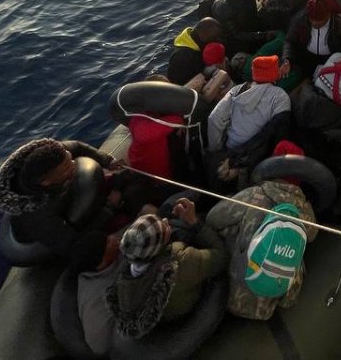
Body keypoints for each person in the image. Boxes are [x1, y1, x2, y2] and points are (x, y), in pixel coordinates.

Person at [0, 138, 128, 271]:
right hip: (47, 236)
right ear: (46, 182)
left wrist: (106, 161)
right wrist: (110, 208)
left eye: (70, 159)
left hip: (55, 196)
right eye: (67, 167)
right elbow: (74, 246)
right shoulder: (36, 216)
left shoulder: (55, 155)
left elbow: (77, 146)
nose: (74, 164)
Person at [107, 199, 229, 338]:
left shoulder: (130, 264)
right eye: (162, 227)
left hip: (164, 313)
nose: (165, 220)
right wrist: (195, 222)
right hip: (185, 310)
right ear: (161, 246)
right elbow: (222, 256)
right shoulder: (180, 262)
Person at [205, 180, 317, 321]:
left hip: (235, 301)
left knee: (229, 230)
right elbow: (312, 234)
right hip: (273, 303)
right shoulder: (305, 210)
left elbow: (212, 219)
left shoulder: (254, 195)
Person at [207, 55, 293, 185]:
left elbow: (214, 119)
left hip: (230, 151)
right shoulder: (281, 97)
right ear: (274, 73)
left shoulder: (237, 90)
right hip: (254, 160)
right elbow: (276, 135)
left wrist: (218, 152)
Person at [281, 0, 341, 80]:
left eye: (320, 20)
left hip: (330, 62)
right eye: (312, 19)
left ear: (329, 14)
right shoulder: (300, 19)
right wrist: (287, 59)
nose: (315, 23)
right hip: (305, 58)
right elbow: (290, 41)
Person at [211, 0, 277, 56]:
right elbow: (235, 34)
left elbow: (254, 17)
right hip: (234, 41)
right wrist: (263, 35)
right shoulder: (223, 6)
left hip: (250, 31)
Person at [166, 17, 224, 85]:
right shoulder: (183, 59)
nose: (219, 41)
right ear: (203, 36)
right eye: (215, 38)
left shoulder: (196, 42)